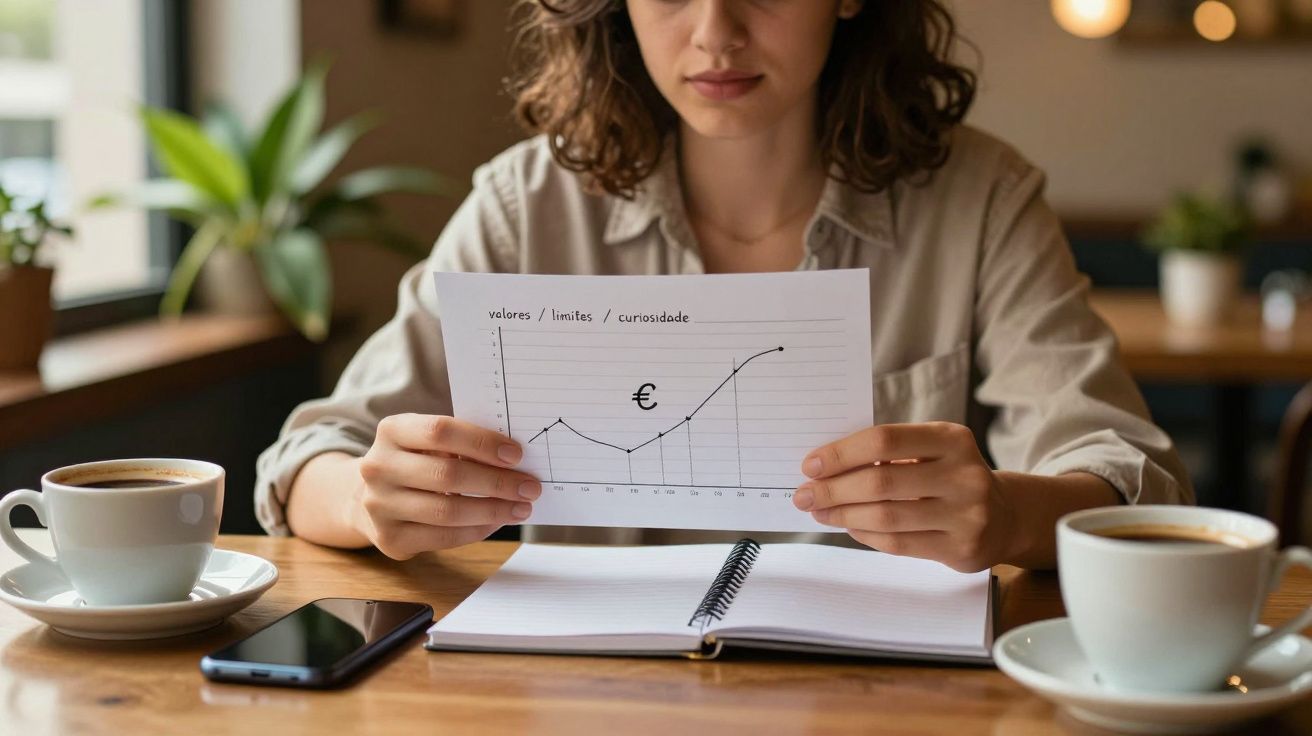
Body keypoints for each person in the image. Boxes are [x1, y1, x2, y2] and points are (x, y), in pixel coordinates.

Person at [255, 0, 1192, 572]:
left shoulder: (983, 201)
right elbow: (306, 463)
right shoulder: (525, 204)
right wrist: (371, 500)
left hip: (888, 702)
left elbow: (1133, 481)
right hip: (583, 702)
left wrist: (1010, 514)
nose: (715, 34)